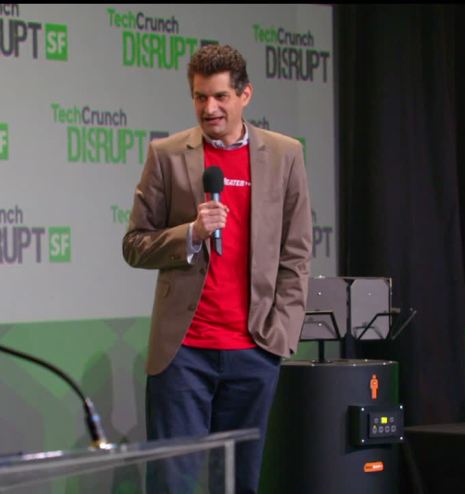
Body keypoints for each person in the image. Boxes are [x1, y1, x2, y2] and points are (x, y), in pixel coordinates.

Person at [122, 44, 311, 493]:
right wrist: (190, 233)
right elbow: (134, 245)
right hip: (183, 354)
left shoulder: (285, 155)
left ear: (245, 95)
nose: (210, 109)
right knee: (172, 484)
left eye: (221, 97)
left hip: (255, 349)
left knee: (239, 482)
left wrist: (280, 334)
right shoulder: (167, 155)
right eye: (200, 97)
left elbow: (296, 254)